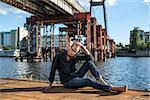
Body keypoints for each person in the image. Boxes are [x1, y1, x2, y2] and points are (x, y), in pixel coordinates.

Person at [44, 41, 128, 92]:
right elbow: (53, 70)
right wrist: (50, 84)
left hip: (75, 76)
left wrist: (84, 48)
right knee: (88, 81)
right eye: (72, 50)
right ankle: (111, 88)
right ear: (69, 47)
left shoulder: (75, 56)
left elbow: (90, 58)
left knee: (89, 63)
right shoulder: (59, 57)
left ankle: (101, 81)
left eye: (75, 52)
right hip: (67, 82)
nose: (73, 53)